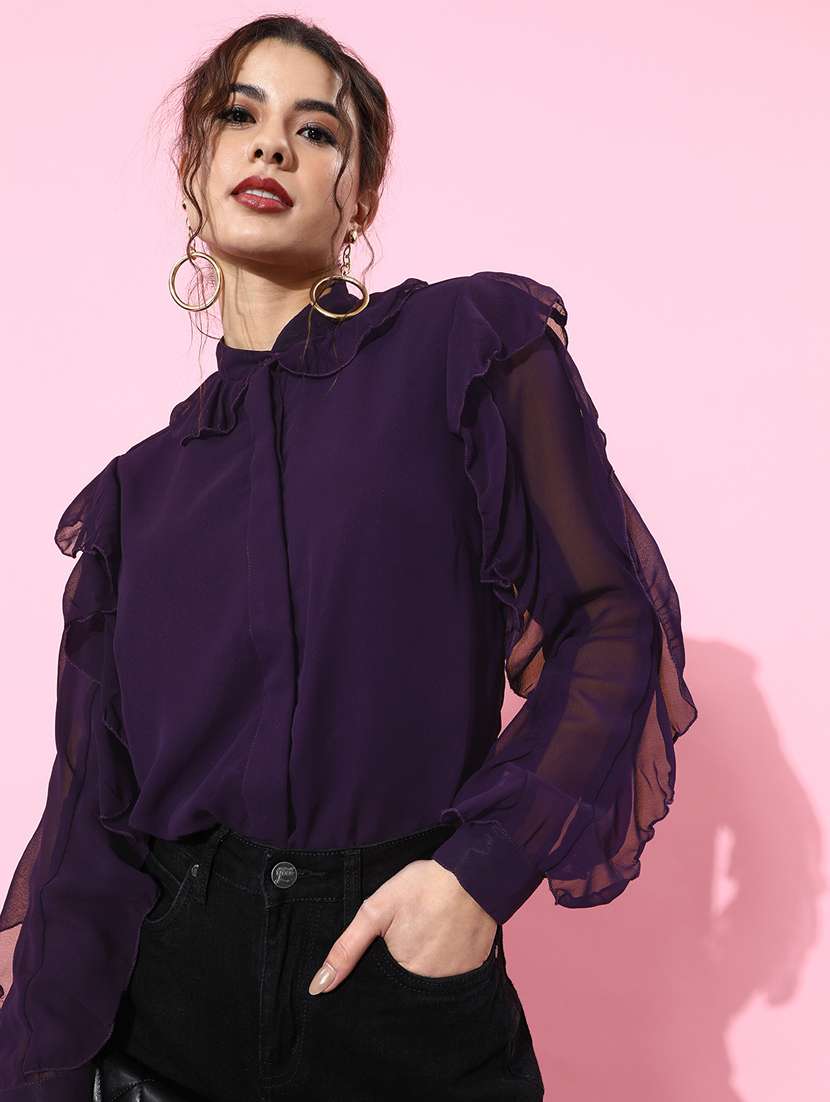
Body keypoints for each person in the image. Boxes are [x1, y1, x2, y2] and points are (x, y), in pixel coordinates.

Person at [0, 14, 698, 1102]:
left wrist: (475, 876)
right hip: (168, 1006)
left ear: (357, 197)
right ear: (194, 170)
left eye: (317, 130)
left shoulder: (462, 346)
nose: (272, 144)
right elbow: (93, 821)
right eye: (239, 115)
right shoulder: (138, 494)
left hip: (399, 983)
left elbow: (609, 618)